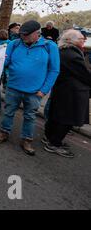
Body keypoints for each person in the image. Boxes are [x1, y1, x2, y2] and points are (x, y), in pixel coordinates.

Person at [0, 20, 60, 156]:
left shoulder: (50, 46)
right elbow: (5, 62)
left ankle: (26, 139)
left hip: (35, 91)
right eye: (21, 34)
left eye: (26, 35)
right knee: (9, 112)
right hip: (13, 87)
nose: (23, 37)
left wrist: (44, 90)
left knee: (30, 116)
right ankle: (4, 132)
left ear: (37, 33)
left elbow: (54, 70)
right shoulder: (14, 44)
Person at [43, 30, 91, 158]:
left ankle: (50, 138)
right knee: (67, 119)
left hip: (63, 90)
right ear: (71, 40)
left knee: (56, 116)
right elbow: (85, 75)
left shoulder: (63, 51)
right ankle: (54, 143)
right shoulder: (72, 55)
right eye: (81, 39)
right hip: (72, 92)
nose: (84, 41)